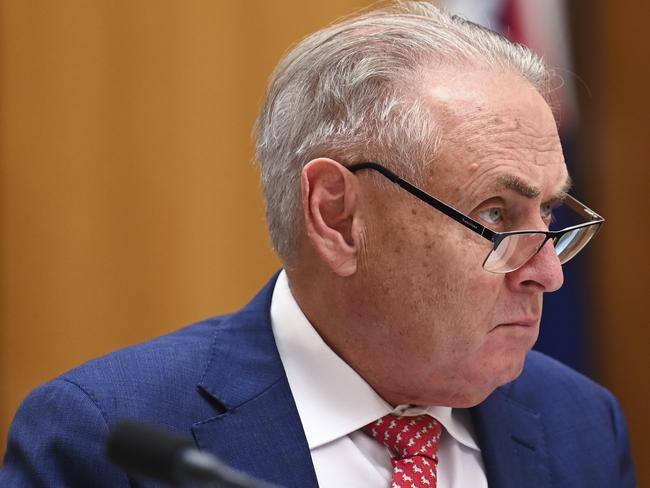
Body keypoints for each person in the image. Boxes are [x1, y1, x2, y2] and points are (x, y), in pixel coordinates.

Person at [0, 2, 637, 487]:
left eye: (549, 211)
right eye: (496, 214)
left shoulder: (578, 423)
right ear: (336, 217)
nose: (548, 273)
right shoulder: (106, 435)